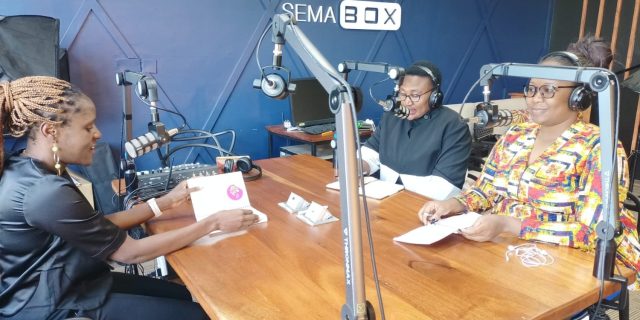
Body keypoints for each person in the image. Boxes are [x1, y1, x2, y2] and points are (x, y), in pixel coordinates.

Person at [0, 76, 260, 319]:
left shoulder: (31, 166)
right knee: (200, 315)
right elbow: (131, 254)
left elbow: (96, 226)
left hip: (73, 281)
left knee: (186, 296)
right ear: (50, 131)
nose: (98, 133)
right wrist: (213, 223)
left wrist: (165, 201)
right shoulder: (44, 191)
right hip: (53, 304)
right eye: (88, 126)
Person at [417, 37, 640, 288]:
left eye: (548, 91)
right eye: (532, 89)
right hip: (503, 249)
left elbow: (591, 233)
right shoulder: (515, 135)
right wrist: (454, 203)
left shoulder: (599, 147)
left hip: (569, 266)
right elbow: (484, 191)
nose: (534, 98)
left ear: (578, 98)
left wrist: (510, 225)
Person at [360, 60, 472, 200]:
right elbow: (370, 154)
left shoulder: (454, 126)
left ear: (434, 97)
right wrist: (358, 166)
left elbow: (445, 188)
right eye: (402, 94)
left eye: (415, 95)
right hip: (383, 204)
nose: (407, 102)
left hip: (424, 207)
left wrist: (397, 197)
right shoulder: (392, 116)